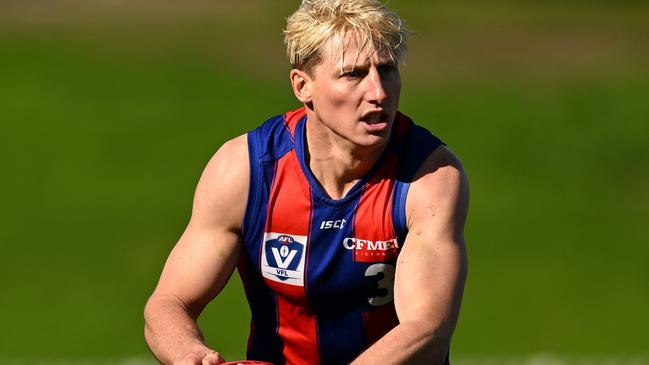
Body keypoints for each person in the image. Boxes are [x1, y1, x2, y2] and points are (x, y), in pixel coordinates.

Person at [144, 0, 469, 364]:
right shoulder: (246, 170)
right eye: (354, 74)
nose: (378, 92)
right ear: (303, 86)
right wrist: (190, 354)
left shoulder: (430, 177)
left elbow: (427, 329)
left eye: (387, 69)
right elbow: (169, 302)